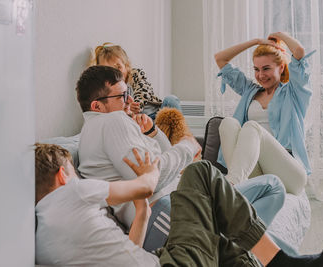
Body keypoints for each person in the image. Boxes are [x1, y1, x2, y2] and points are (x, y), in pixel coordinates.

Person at [75, 65, 285, 253]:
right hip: (164, 211)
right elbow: (148, 180)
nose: (130, 100)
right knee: (271, 188)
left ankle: (254, 253)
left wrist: (152, 131)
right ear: (97, 106)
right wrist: (186, 147)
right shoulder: (113, 121)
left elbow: (168, 164)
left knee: (271, 187)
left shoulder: (97, 129)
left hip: (174, 203)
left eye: (128, 92)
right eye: (121, 96)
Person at [35, 143, 323, 266]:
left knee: (214, 234)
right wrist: (148, 172)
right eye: (73, 172)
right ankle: (281, 262)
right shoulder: (72, 193)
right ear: (63, 174)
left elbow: (126, 255)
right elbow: (147, 184)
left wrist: (141, 211)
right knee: (200, 171)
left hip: (159, 258)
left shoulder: (43, 237)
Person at [214, 32, 315, 195]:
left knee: (251, 127)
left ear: (281, 67)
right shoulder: (249, 91)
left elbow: (299, 52)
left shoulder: (294, 92)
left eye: (266, 68)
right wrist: (255, 42)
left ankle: (231, 186)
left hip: (289, 172)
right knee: (228, 123)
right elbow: (220, 58)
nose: (261, 75)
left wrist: (279, 35)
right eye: (256, 69)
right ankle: (237, 183)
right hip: (256, 169)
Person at [92, 42, 182, 120]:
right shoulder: (107, 88)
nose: (115, 73)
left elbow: (144, 90)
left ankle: (179, 133)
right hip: (136, 121)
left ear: (126, 66)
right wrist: (127, 110)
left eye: (118, 67)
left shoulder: (135, 75)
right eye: (109, 70)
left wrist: (137, 104)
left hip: (156, 114)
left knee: (171, 100)